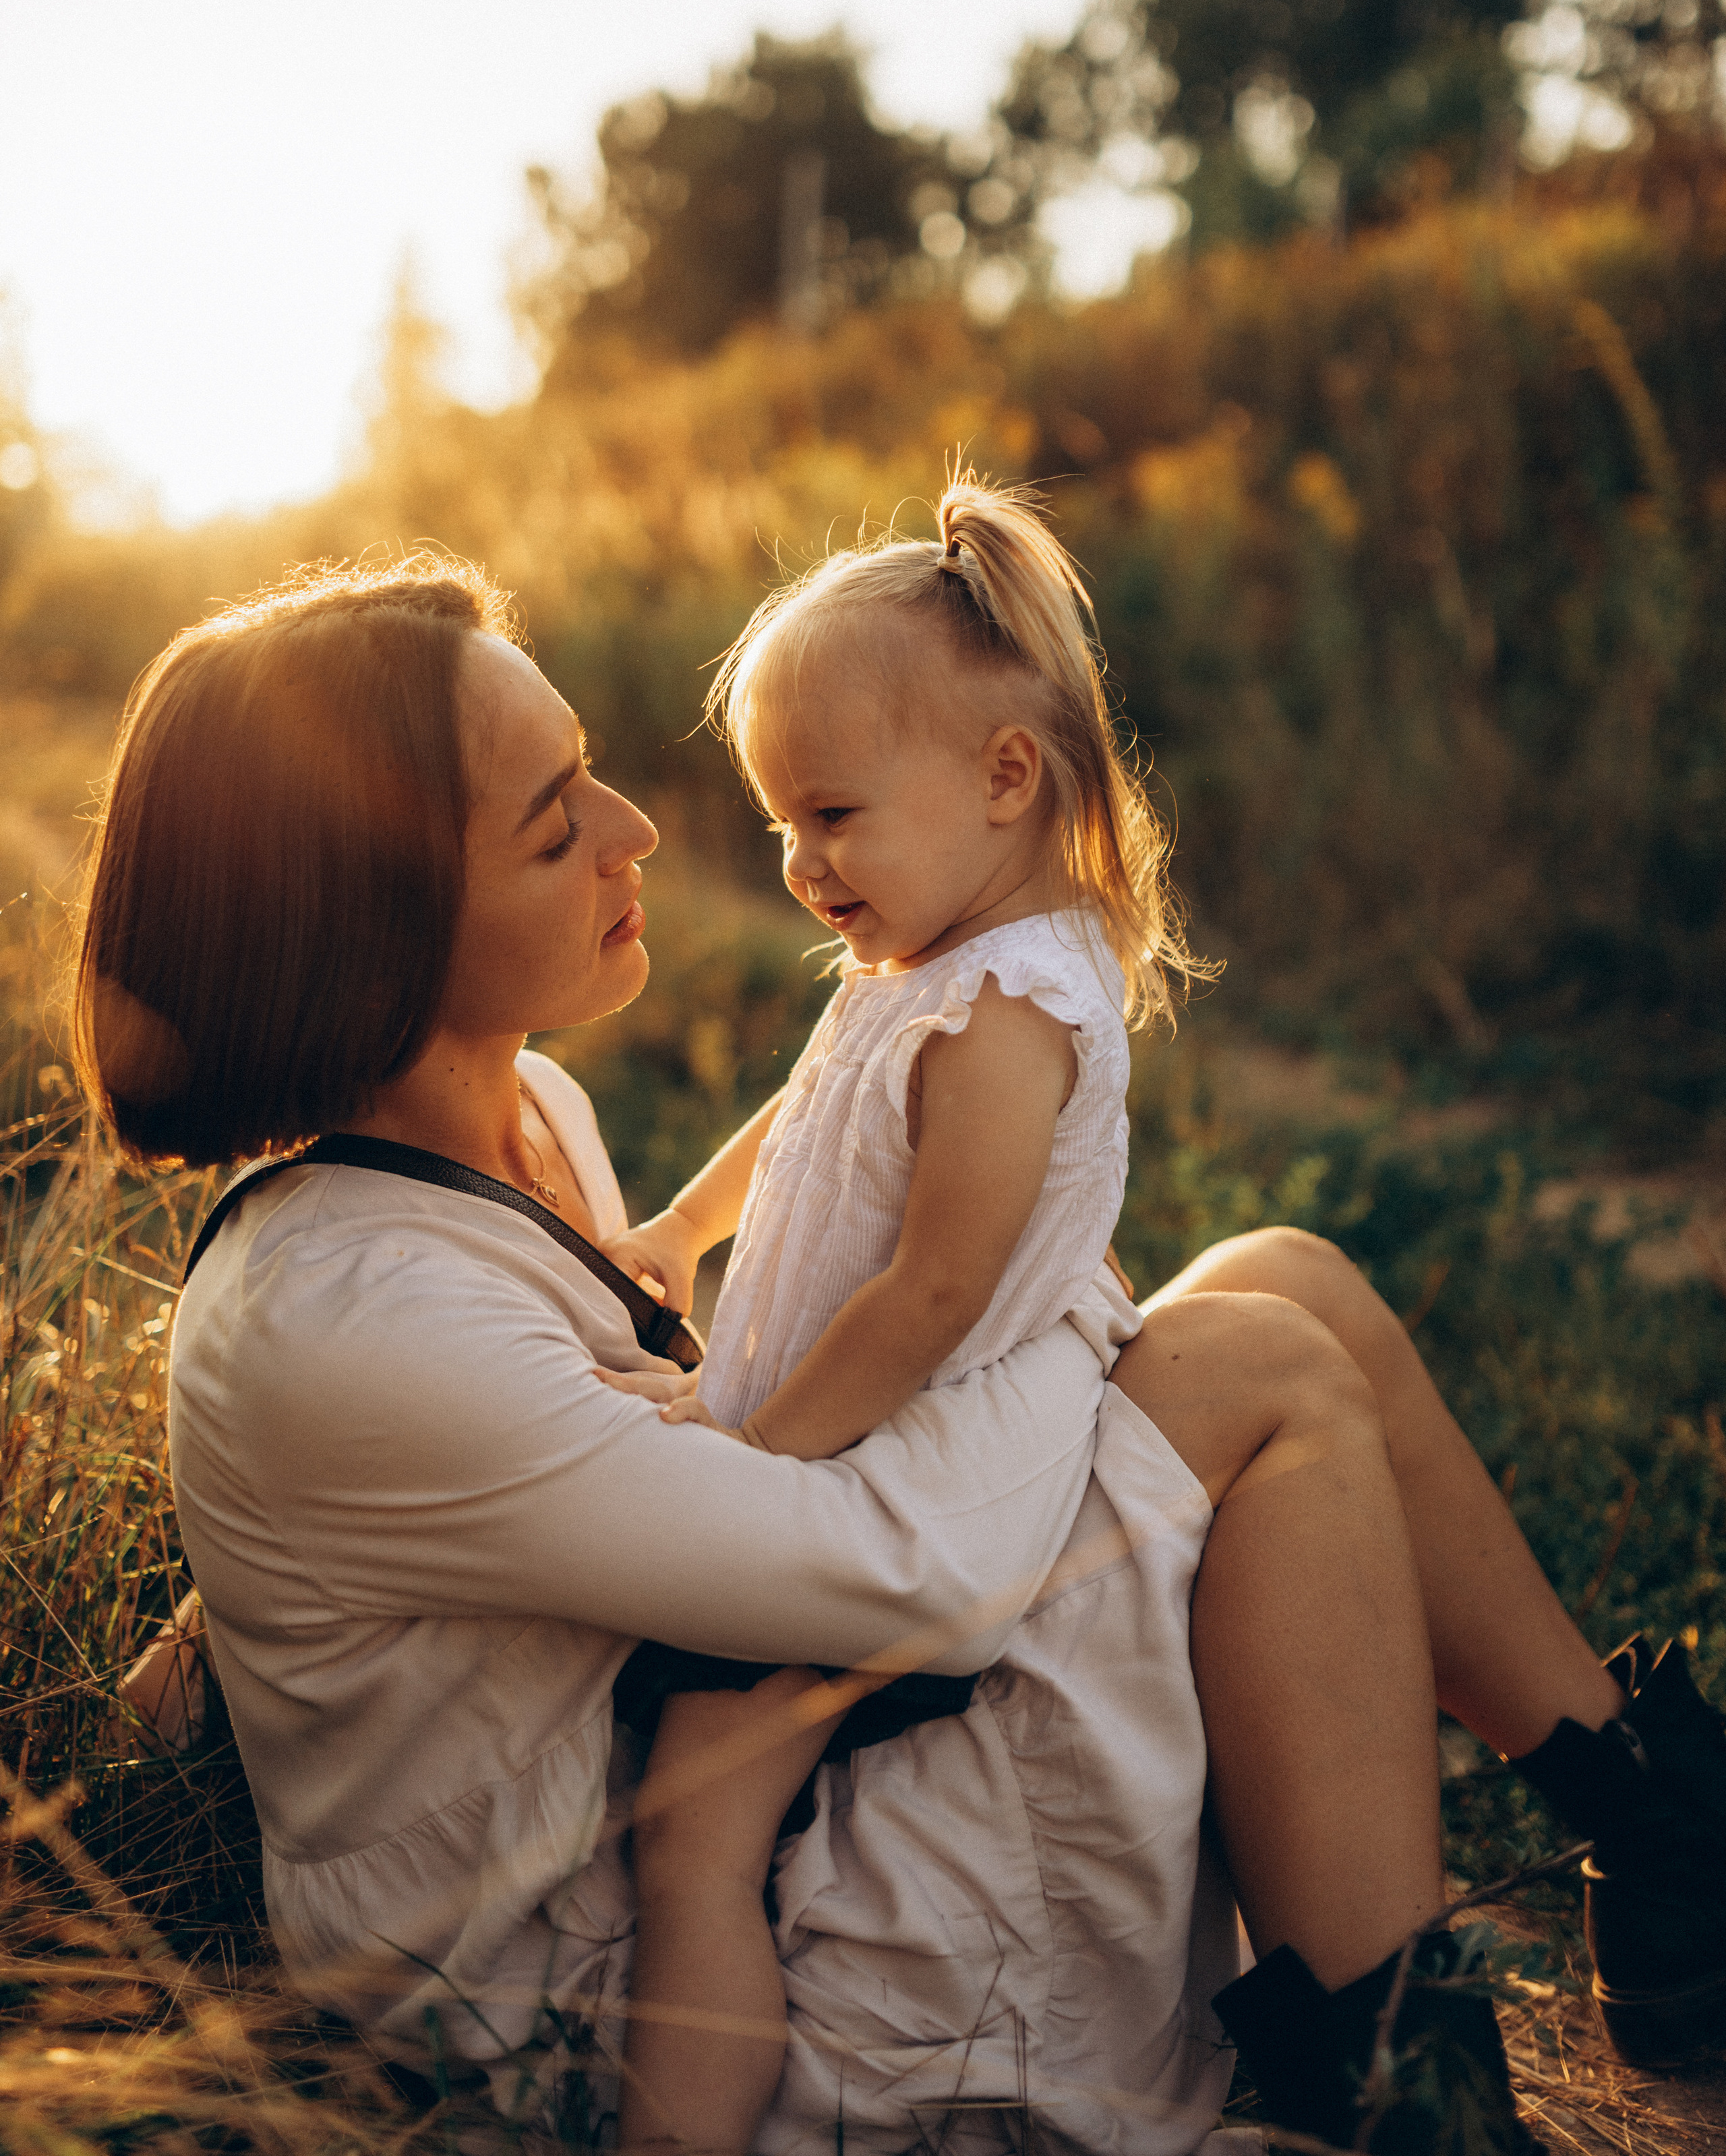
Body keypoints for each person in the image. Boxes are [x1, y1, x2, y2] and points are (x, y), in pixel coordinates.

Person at [71, 556, 1726, 2156]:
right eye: (553, 817)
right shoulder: (353, 1318)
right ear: (369, 930)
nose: (636, 828)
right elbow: (904, 1580)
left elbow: (541, 1498)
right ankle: (1411, 2107)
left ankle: (1657, 1841)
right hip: (630, 1977)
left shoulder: (531, 1116)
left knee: (1280, 1274)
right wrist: (1053, 1306)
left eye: (591, 769)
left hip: (750, 1746)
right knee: (1259, 1371)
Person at [589, 477, 1197, 2156]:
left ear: (1004, 778)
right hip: (845, 1444)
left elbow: (933, 1293)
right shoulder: (923, 963)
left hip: (899, 1475)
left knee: (689, 1834)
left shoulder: (1006, 1010)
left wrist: (752, 1465)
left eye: (831, 816)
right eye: (779, 826)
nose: (800, 866)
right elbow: (808, 1104)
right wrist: (685, 1226)